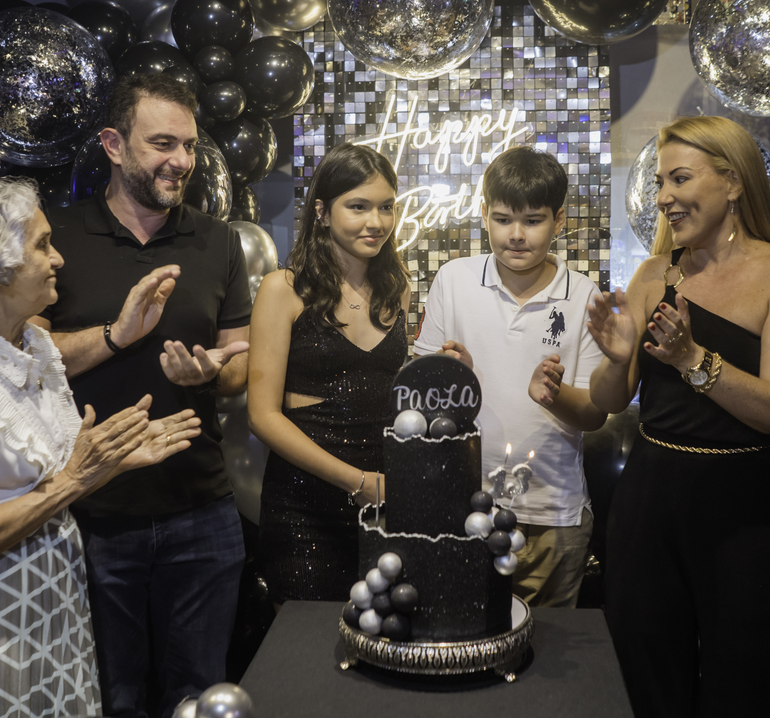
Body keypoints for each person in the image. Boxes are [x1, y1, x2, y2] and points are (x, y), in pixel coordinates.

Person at [0, 177, 201, 718]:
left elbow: (53, 479)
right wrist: (79, 480)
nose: (58, 258)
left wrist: (113, 460)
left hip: (50, 600)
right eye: (41, 245)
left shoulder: (32, 345)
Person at [587, 116, 770, 717]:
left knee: (745, 684)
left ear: (734, 182)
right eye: (661, 182)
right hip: (649, 499)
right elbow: (612, 400)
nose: (664, 196)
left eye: (680, 178)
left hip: (746, 506)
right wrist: (618, 359)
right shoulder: (651, 275)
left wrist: (694, 359)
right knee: (645, 675)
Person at [31, 73, 252, 717]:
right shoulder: (57, 241)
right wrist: (116, 336)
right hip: (92, 511)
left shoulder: (218, 241)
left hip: (202, 509)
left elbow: (237, 367)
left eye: (187, 145)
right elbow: (26, 359)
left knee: (200, 697)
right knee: (108, 698)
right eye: (161, 143)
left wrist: (211, 373)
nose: (180, 161)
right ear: (113, 144)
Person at [413, 145, 607, 607]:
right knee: (461, 639)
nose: (516, 235)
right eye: (502, 219)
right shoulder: (453, 281)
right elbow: (417, 399)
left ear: (559, 220)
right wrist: (448, 377)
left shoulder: (583, 296)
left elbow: (595, 416)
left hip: (551, 512)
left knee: (548, 655)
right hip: (458, 505)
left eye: (533, 221)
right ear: (483, 215)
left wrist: (553, 396)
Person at [248, 143, 409, 602]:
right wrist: (355, 481)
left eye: (386, 207)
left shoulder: (397, 289)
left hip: (381, 503)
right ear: (322, 210)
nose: (375, 222)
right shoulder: (283, 289)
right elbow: (262, 416)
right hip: (304, 506)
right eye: (357, 207)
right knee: (306, 653)